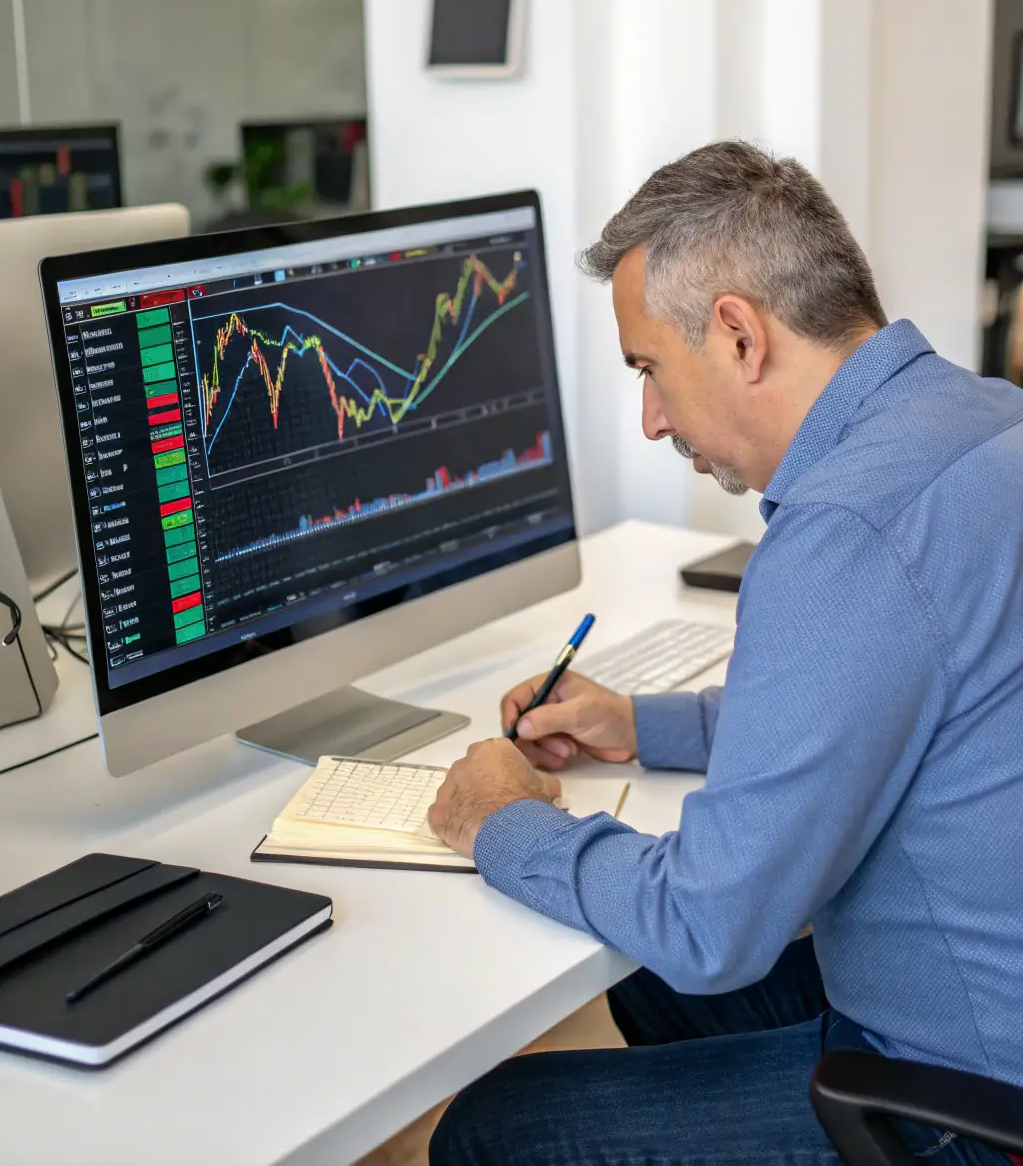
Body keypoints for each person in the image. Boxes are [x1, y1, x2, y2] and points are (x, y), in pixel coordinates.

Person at [425, 141, 1023, 1166]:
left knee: (494, 1129)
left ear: (740, 335)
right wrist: (642, 725)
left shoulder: (846, 531)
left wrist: (504, 823)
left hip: (971, 1104)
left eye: (650, 369)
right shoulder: (983, 420)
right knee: (651, 995)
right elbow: (886, 699)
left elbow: (710, 926)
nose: (651, 418)